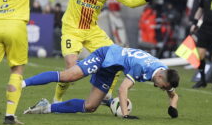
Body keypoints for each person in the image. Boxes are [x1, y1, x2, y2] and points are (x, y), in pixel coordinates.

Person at [25, 0, 162, 103]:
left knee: (117, 58)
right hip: (72, 29)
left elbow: (130, 2)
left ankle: (107, 94)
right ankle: (57, 99)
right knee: (71, 67)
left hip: (92, 30)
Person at [22, 44, 180, 119]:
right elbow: (123, 89)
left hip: (111, 68)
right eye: (163, 87)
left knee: (90, 106)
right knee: (68, 76)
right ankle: (22, 83)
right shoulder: (142, 67)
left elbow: (173, 95)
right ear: (160, 77)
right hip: (105, 56)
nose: (162, 89)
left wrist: (173, 108)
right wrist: (125, 115)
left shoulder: (163, 71)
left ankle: (45, 108)